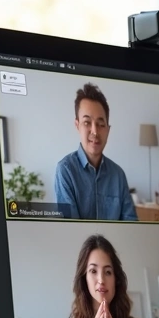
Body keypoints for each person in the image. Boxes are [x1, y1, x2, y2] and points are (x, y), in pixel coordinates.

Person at [57, 234, 153, 318]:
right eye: (93, 271)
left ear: (116, 279)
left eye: (108, 272)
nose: (101, 280)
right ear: (84, 278)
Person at [53, 83, 138, 221]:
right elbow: (69, 228)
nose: (95, 131)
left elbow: (131, 224)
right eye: (87, 122)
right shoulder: (65, 170)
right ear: (77, 125)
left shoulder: (118, 175)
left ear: (108, 130)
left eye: (101, 124)